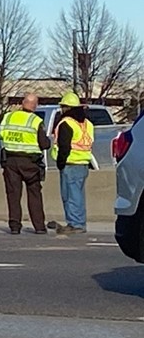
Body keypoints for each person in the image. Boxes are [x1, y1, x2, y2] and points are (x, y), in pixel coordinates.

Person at [0, 93, 51, 234]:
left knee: (13, 195)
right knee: (34, 194)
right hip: (30, 163)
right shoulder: (35, 120)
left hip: (10, 160)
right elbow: (44, 144)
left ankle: (15, 226)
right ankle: (39, 226)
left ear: (23, 103)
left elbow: (1, 135)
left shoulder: (8, 117)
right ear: (34, 105)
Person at [51, 91, 94, 234]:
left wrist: (60, 162)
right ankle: (78, 222)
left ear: (67, 107)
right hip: (83, 163)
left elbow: (64, 146)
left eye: (63, 106)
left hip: (70, 163)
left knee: (70, 196)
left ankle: (76, 224)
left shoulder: (66, 123)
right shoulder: (87, 124)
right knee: (78, 195)